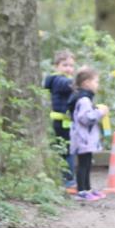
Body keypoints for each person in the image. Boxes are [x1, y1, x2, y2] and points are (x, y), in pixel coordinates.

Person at [67, 66, 110, 202]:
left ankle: (88, 189)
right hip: (82, 138)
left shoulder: (84, 98)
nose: (98, 85)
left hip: (85, 139)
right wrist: (100, 112)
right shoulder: (83, 99)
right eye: (96, 81)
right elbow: (85, 118)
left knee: (87, 164)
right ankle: (82, 191)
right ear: (86, 83)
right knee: (83, 165)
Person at [44, 50, 77, 192]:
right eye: (65, 65)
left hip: (64, 121)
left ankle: (67, 178)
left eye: (71, 65)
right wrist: (83, 81)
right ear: (56, 66)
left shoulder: (60, 79)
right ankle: (68, 181)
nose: (69, 68)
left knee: (66, 150)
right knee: (68, 151)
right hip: (62, 122)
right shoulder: (59, 80)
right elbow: (69, 85)